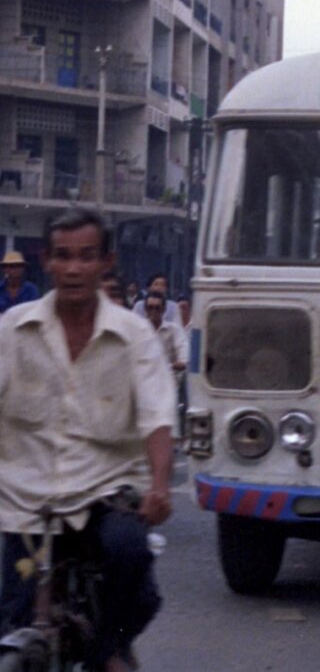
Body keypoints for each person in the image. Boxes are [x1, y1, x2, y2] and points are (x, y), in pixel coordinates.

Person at [0, 208, 175, 672]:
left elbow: (158, 416)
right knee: (11, 625)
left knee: (131, 556)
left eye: (86, 257)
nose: (74, 268)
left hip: (104, 491)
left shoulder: (135, 335)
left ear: (105, 262)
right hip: (25, 499)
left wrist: (159, 485)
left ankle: (106, 651)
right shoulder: (12, 330)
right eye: (63, 257)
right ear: (48, 261)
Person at [144, 292, 188, 438]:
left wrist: (172, 366)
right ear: (145, 309)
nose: (153, 311)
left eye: (157, 308)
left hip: (168, 382)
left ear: (163, 310)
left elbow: (184, 357)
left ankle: (171, 439)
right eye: (150, 308)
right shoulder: (138, 330)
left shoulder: (174, 330)